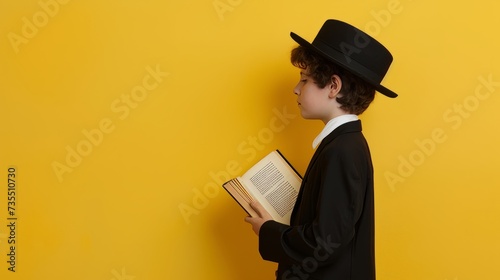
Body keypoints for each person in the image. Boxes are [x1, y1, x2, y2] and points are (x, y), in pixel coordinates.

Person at [244, 19, 398, 280]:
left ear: (333, 86)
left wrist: (267, 231)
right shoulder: (343, 143)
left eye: (304, 80)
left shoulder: (342, 150)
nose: (296, 88)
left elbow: (324, 243)